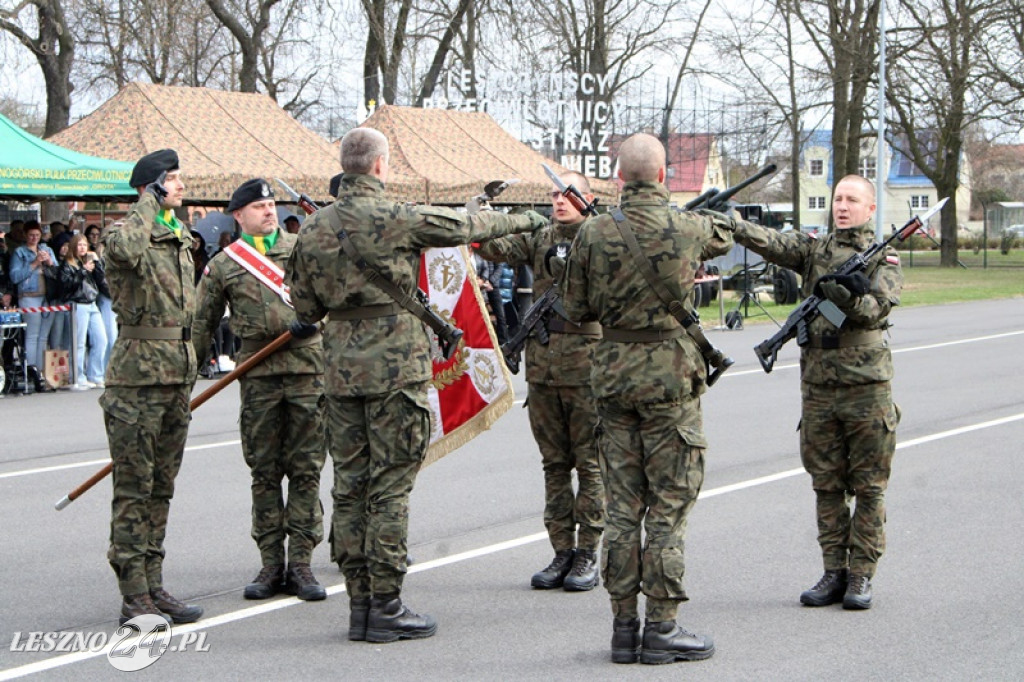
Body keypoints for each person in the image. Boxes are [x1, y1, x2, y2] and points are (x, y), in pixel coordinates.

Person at [286, 127, 547, 643]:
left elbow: (306, 308)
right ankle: (386, 604)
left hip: (339, 374)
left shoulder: (313, 229)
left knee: (350, 486)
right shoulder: (397, 216)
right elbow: (470, 223)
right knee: (390, 489)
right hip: (394, 373)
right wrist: (528, 218)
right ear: (380, 166)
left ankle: (360, 606)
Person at [562, 133, 733, 665]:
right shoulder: (687, 227)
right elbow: (724, 236)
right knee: (668, 508)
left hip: (613, 382)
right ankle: (661, 626)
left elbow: (575, 310)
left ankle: (622, 627)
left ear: (619, 178)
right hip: (670, 385)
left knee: (621, 510)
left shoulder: (591, 233)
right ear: (663, 177)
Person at [724, 174, 902, 610]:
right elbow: (774, 243)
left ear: (870, 209)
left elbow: (874, 313)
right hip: (819, 385)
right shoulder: (815, 251)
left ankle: (861, 575)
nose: (842, 206)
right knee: (825, 484)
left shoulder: (884, 259)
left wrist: (849, 297)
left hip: (866, 387)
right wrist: (733, 224)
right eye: (838, 198)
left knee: (868, 486)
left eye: (852, 199)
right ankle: (832, 571)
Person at [193, 178, 328, 603]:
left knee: (306, 469)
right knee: (265, 472)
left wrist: (317, 319)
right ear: (239, 215)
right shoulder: (226, 264)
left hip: (308, 371)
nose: (268, 211)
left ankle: (302, 563)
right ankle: (271, 563)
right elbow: (202, 323)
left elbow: (334, 298)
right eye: (258, 207)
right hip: (259, 374)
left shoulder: (301, 250)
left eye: (271, 204)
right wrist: (182, 380)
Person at [475, 172, 604, 592]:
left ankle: (588, 551)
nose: (560, 201)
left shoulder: (603, 236)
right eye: (555, 194)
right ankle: (561, 551)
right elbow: (492, 246)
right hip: (544, 368)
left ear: (590, 198)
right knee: (554, 465)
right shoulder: (540, 235)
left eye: (569, 194)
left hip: (588, 369)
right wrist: (480, 212)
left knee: (590, 464)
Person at [101, 148, 203, 626]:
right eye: (174, 180)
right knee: (134, 488)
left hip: (175, 376)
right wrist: (148, 201)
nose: (182, 187)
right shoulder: (124, 232)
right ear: (153, 186)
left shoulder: (178, 238)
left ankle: (154, 583)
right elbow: (125, 254)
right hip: (136, 380)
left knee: (161, 487)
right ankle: (132, 593)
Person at [8, 221, 57, 383]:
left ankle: (42, 371)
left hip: (48, 296)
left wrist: (50, 262)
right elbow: (15, 276)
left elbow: (58, 272)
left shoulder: (47, 249)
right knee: (32, 335)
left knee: (44, 336)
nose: (34, 238)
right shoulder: (19, 252)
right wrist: (35, 263)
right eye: (31, 235)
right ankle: (32, 369)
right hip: (29, 296)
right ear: (25, 235)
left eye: (37, 235)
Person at [58, 235, 107, 390]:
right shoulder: (67, 264)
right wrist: (82, 272)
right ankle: (77, 376)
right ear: (73, 246)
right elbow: (67, 285)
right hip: (77, 304)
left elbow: (100, 279)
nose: (82, 248)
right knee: (78, 343)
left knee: (101, 339)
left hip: (91, 302)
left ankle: (95, 375)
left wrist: (96, 261)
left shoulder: (86, 262)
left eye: (85, 245)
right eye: (79, 245)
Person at [86, 224, 117, 379]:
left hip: (115, 297)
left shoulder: (115, 254)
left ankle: (108, 370)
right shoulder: (98, 256)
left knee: (112, 337)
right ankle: (103, 372)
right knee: (109, 337)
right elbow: (101, 280)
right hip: (106, 297)